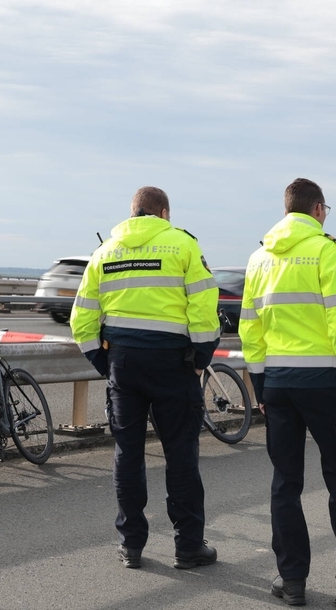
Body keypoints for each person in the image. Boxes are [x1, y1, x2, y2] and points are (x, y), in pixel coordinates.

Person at [239, 178, 336, 608]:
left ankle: (292, 581)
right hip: (325, 386)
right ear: (319, 209)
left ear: (286, 210)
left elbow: (250, 329)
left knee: (285, 483)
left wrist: (261, 386)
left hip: (278, 384)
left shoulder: (258, 258)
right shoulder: (327, 251)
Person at [71, 186, 221, 570]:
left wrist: (104, 363)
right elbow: (204, 306)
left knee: (128, 454)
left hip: (123, 363)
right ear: (164, 213)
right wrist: (201, 358)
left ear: (133, 212)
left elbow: (81, 318)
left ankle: (131, 545)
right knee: (181, 455)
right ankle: (188, 547)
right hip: (174, 364)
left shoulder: (105, 252)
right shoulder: (183, 245)